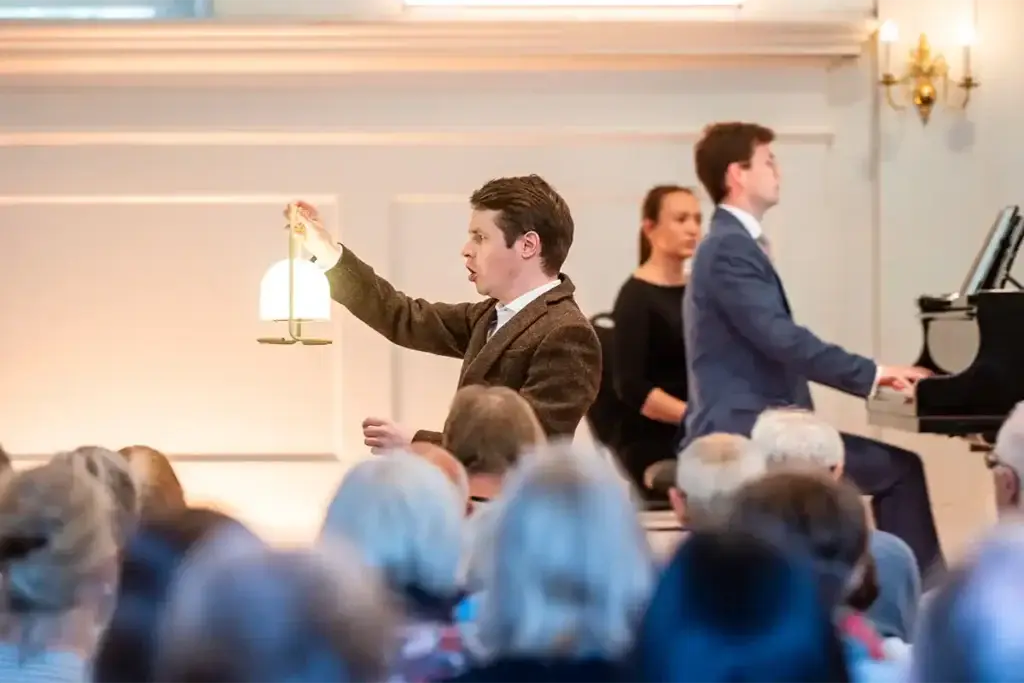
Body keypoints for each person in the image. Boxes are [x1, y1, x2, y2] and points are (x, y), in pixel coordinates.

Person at [678, 121, 945, 584]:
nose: (778, 170)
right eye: (768, 160)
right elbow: (782, 338)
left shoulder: (732, 244)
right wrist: (874, 374)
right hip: (744, 432)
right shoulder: (727, 247)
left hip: (754, 422)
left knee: (893, 471)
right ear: (737, 174)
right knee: (901, 471)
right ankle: (921, 607)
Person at [290, 174, 601, 449]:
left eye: (481, 237)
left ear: (528, 245)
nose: (466, 249)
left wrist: (417, 441)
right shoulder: (489, 315)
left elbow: (531, 446)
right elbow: (402, 316)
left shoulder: (566, 332)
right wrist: (326, 252)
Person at [609, 185, 699, 496]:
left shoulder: (699, 293)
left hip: (700, 432)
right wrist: (694, 417)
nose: (692, 228)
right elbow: (631, 386)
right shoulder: (635, 296)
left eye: (698, 219)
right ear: (650, 228)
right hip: (654, 440)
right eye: (681, 219)